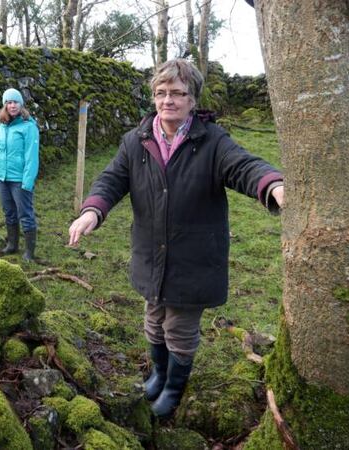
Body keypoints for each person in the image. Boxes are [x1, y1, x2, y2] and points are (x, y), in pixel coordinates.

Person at [67, 59, 285, 419]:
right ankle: (158, 373)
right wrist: (92, 211)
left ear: (193, 99)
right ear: (154, 96)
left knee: (179, 329)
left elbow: (243, 165)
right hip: (151, 255)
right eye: (161, 92)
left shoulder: (212, 141)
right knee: (153, 320)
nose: (168, 100)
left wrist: (272, 185)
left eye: (178, 93)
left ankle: (173, 389)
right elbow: (110, 180)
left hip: (193, 260)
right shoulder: (136, 141)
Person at [0, 88, 40, 262]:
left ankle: (30, 252)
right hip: (2, 178)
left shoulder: (28, 126)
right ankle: (12, 245)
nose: (12, 105)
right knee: (9, 212)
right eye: (8, 102)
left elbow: (31, 156)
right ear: (4, 105)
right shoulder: (1, 125)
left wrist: (28, 180)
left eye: (15, 102)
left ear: (21, 104)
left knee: (25, 213)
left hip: (19, 179)